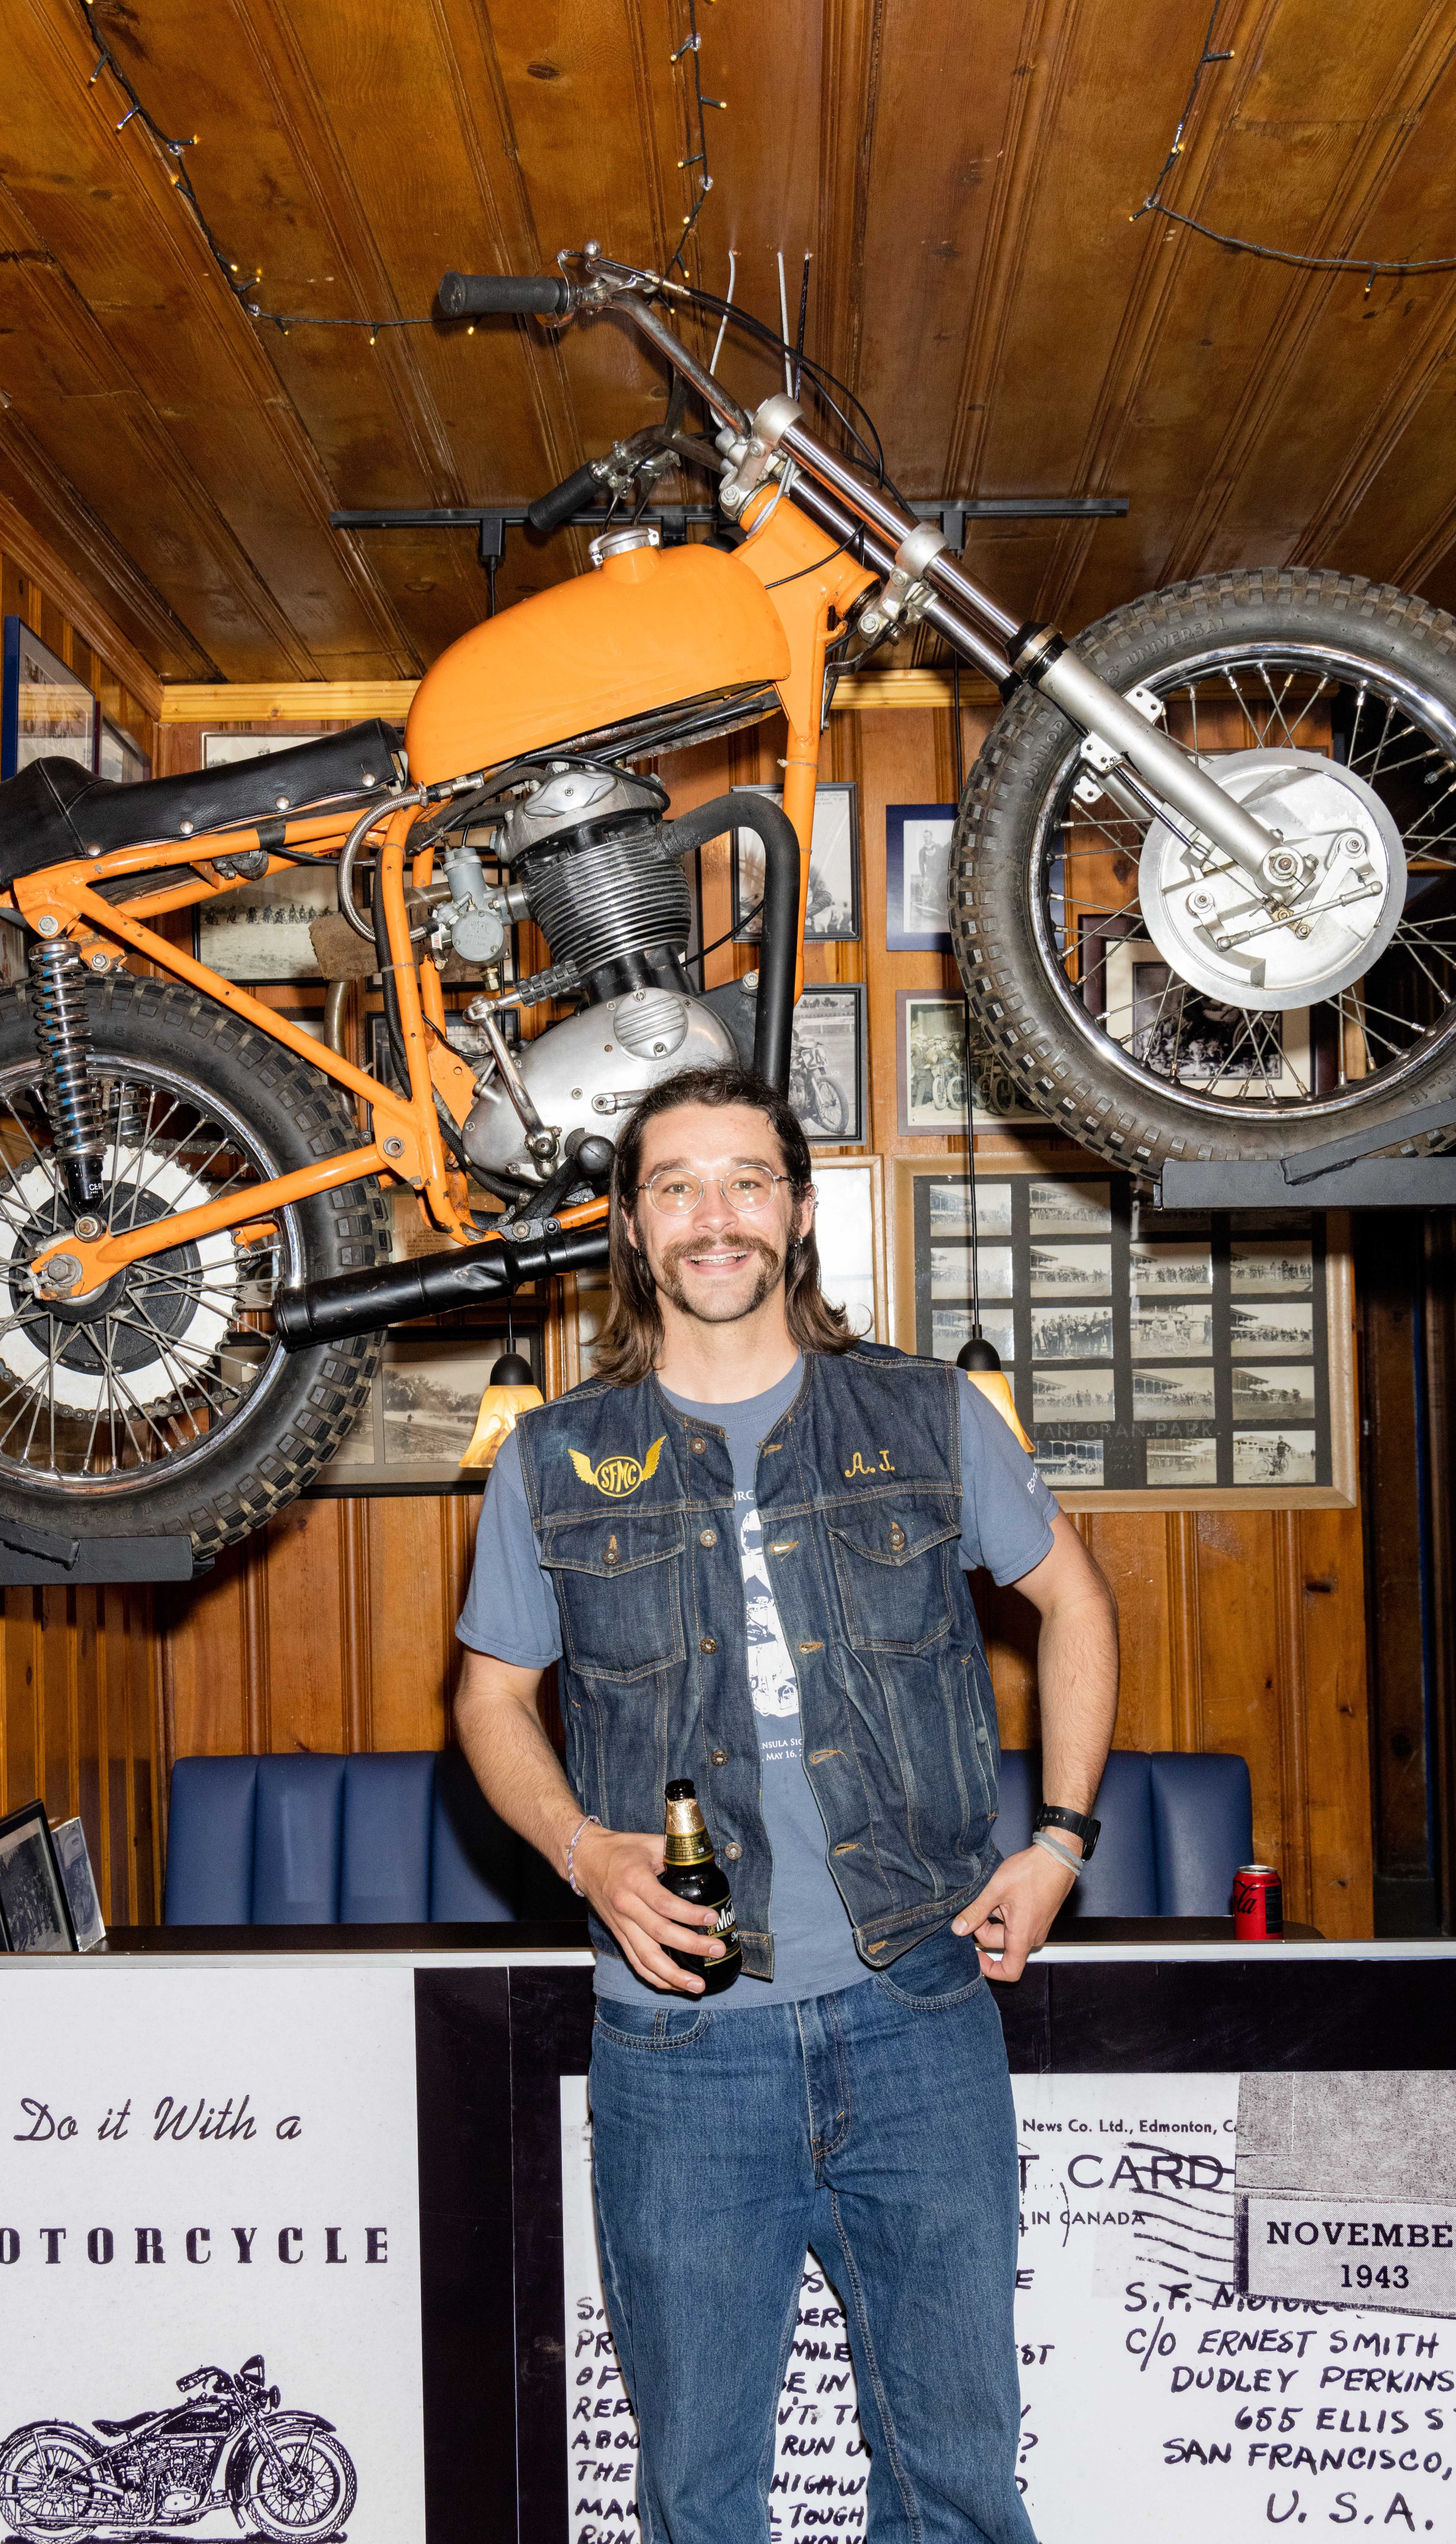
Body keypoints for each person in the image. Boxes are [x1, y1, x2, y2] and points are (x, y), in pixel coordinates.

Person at [455, 1061, 1119, 2544]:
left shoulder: (929, 1413)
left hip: (920, 2017)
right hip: (680, 2054)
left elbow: (1076, 1602)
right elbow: (488, 1703)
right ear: (630, 1225)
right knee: (700, 2498)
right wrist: (580, 1846)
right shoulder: (554, 1461)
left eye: (746, 1180)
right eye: (676, 1185)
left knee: (956, 2482)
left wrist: (1061, 1841)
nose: (715, 1216)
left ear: (799, 1211)